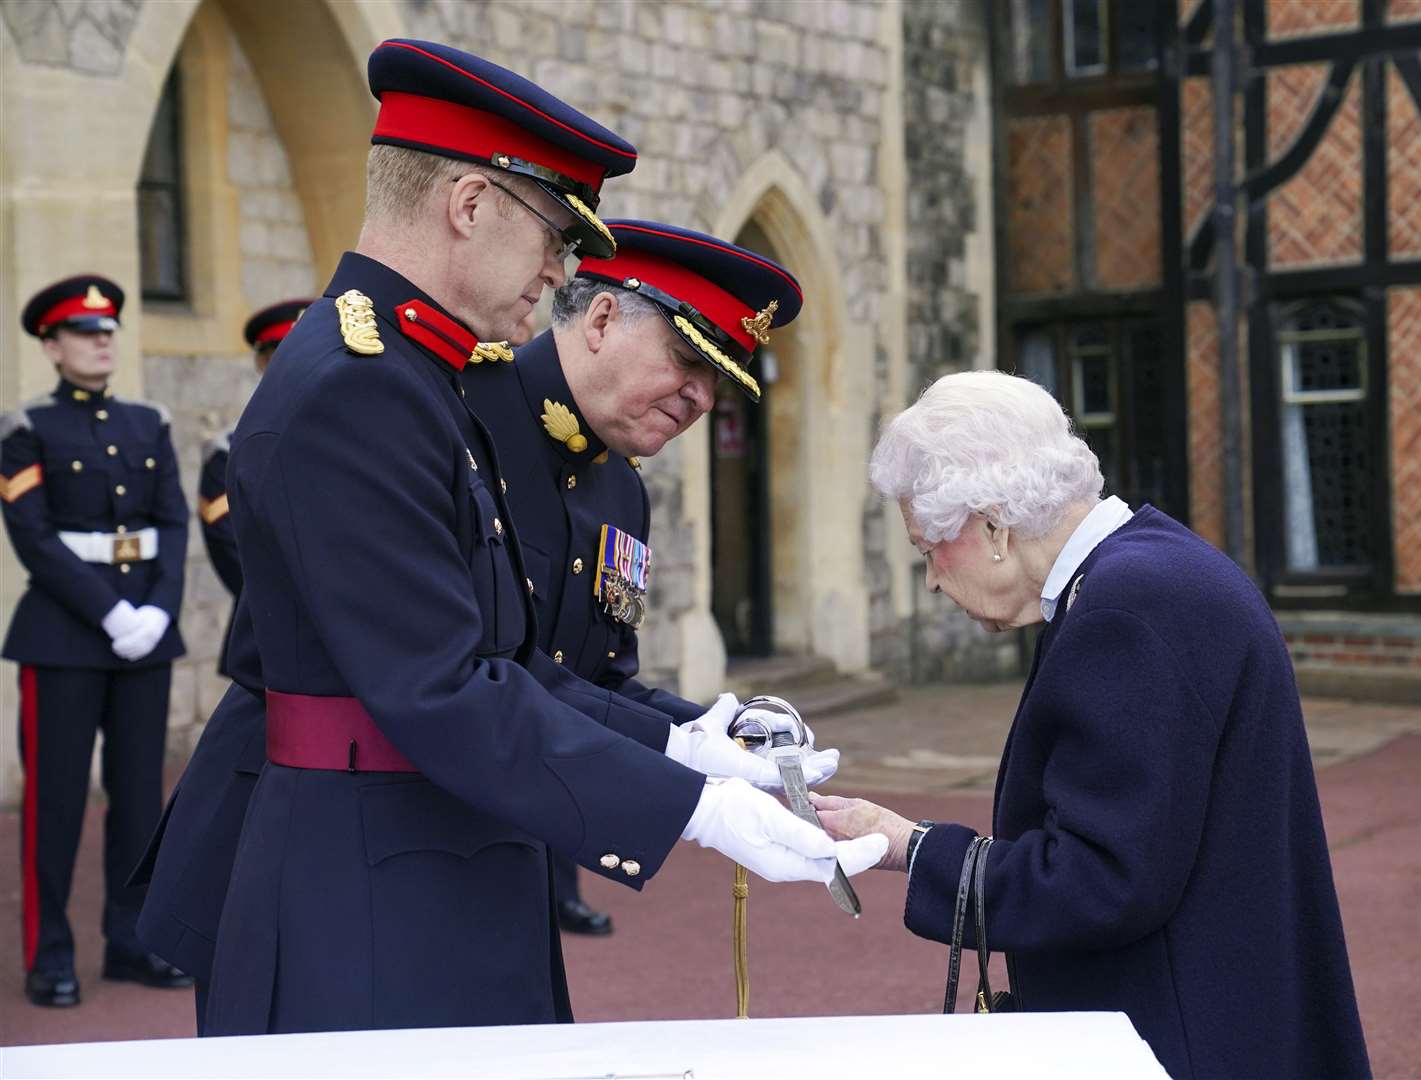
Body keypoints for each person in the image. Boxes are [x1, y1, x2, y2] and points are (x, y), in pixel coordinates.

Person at [148, 38, 879, 1037]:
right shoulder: (362, 384)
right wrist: (692, 806)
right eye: (554, 233)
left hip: (426, 859)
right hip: (359, 886)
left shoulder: (414, 375)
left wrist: (686, 741)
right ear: (468, 204)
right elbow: (443, 686)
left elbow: (516, 660)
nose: (562, 270)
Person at [814, 371, 1370, 1077]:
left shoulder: (1125, 607)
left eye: (929, 549)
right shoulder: (1147, 569)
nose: (930, 579)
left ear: (991, 524)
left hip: (1178, 1035)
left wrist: (912, 848)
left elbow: (1105, 880)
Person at [462, 219, 814, 936]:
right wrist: (682, 767)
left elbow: (596, 680)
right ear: (599, 319)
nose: (700, 398)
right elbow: (466, 671)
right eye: (687, 359)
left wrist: (714, 732)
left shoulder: (620, 489)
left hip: (511, 845)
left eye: (716, 380)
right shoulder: (460, 412)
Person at [1, 275, 192, 1007]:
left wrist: (156, 612)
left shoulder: (150, 422)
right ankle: (50, 953)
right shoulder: (24, 429)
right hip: (64, 637)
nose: (102, 339)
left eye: (108, 328)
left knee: (141, 798)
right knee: (54, 806)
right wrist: (111, 615)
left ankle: (132, 939)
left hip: (146, 631)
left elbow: (173, 524)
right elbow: (34, 539)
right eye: (84, 331)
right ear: (51, 346)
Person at [197, 299, 313, 666]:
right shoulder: (229, 451)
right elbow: (231, 546)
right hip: (272, 629)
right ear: (262, 362)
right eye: (282, 351)